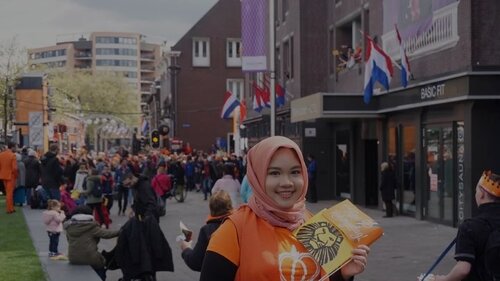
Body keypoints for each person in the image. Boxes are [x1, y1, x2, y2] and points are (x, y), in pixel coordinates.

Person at [200, 136, 370, 281]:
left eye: (295, 172)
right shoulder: (234, 230)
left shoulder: (314, 224)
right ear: (257, 177)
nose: (287, 183)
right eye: (274, 173)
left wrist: (343, 275)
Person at [431, 170, 500, 281]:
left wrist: (443, 279)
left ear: (481, 194)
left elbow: (463, 269)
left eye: (476, 190)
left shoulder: (470, 227)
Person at [180, 190, 233, 271]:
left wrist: (186, 249)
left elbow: (196, 262)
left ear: (211, 208)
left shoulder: (207, 230)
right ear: (230, 206)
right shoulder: (239, 225)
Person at [65, 205, 120, 281]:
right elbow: (107, 234)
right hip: (90, 258)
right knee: (101, 265)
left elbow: (68, 240)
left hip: (72, 257)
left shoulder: (69, 227)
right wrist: (121, 231)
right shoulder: (92, 227)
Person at [0, 142, 18, 214]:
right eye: (15, 147)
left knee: (8, 192)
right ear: (12, 147)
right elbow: (14, 168)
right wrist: (16, 175)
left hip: (3, 175)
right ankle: (9, 209)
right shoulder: (12, 155)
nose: (16, 148)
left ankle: (11, 208)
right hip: (11, 176)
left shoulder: (1, 155)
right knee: (9, 193)